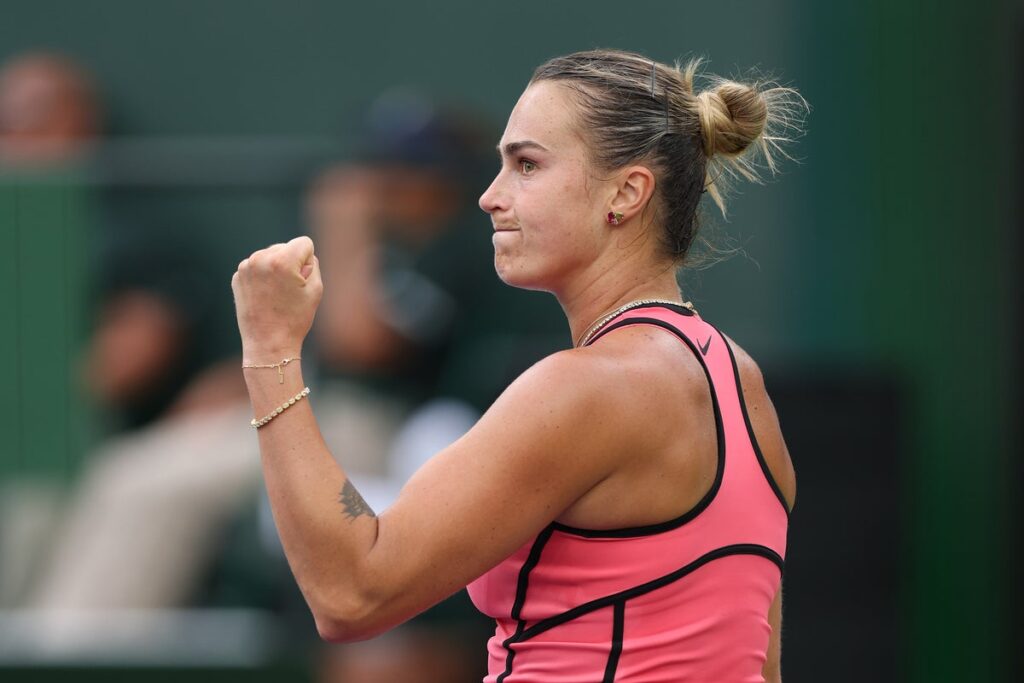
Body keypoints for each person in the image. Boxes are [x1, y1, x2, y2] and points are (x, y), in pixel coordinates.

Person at [231, 49, 804, 682]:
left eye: (527, 165)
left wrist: (270, 349)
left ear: (626, 192)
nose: (489, 197)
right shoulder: (742, 384)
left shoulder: (587, 388)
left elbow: (351, 594)